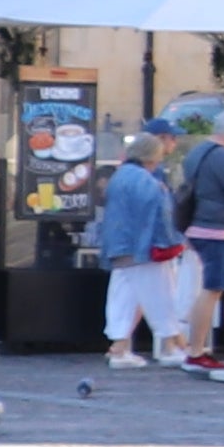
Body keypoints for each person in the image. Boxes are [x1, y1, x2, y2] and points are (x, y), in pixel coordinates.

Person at [90, 125, 192, 367]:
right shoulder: (149, 182)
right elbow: (161, 216)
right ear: (152, 156)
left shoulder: (119, 177)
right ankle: (170, 346)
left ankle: (119, 348)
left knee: (123, 298)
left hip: (120, 248)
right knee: (162, 295)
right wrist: (173, 241)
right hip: (144, 249)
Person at [176, 103, 224, 367]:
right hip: (216, 230)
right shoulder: (223, 157)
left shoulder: (196, 153)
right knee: (212, 289)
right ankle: (196, 351)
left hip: (201, 226)